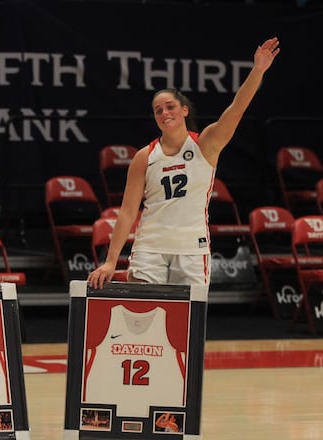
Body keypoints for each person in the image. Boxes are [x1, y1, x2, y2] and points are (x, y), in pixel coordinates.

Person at [89, 37, 280, 289]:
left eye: (170, 107)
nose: (165, 113)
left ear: (184, 111)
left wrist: (258, 71)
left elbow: (236, 108)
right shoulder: (144, 156)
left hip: (191, 248)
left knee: (187, 322)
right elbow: (126, 212)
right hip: (150, 248)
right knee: (146, 321)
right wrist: (111, 261)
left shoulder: (206, 144)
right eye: (158, 110)